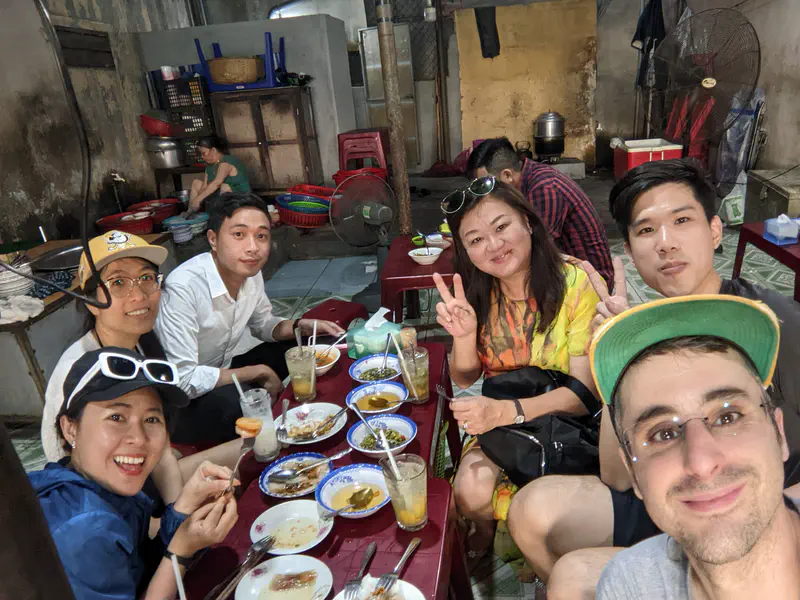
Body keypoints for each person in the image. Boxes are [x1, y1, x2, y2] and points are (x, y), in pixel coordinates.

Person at [506, 159, 800, 598]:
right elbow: (618, 475)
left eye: (682, 220)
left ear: (715, 231)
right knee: (529, 509)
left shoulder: (772, 323)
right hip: (672, 487)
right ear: (628, 247)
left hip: (760, 499)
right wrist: (616, 350)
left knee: (574, 575)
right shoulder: (640, 329)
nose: (665, 243)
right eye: (646, 230)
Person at [433, 178, 600, 563]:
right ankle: (486, 530)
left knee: (559, 512)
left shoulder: (576, 284)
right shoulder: (479, 290)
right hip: (505, 415)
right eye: (475, 239)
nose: (493, 245)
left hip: (563, 418)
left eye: (501, 227)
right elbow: (464, 377)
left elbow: (582, 395)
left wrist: (506, 413)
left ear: (528, 222)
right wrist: (464, 335)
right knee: (470, 490)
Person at [592, 296, 800, 599]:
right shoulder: (628, 585)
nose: (701, 463)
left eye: (728, 417)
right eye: (663, 434)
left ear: (779, 434)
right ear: (633, 474)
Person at [41, 231, 242, 504]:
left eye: (147, 279)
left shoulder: (144, 342)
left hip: (148, 466)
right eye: (119, 282)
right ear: (91, 302)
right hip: (108, 497)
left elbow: (164, 448)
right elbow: (69, 474)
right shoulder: (79, 371)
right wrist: (168, 521)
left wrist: (175, 513)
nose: (138, 296)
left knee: (256, 446)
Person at [30, 347, 238, 600]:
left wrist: (184, 504)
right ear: (70, 429)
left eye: (151, 420)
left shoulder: (93, 481)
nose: (139, 439)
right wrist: (181, 552)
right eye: (116, 417)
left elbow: (140, 564)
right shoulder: (83, 528)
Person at [155, 192, 344, 446]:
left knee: (305, 344)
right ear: (213, 239)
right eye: (239, 235)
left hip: (222, 370)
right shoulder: (183, 289)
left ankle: (323, 402)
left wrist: (300, 325)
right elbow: (185, 380)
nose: (253, 247)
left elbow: (264, 325)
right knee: (239, 405)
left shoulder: (250, 273)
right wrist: (257, 371)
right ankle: (265, 447)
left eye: (261, 236)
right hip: (181, 402)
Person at [466, 137, 613, 284]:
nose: (486, 193)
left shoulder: (544, 188)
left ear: (507, 175)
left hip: (593, 279)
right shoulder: (528, 178)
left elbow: (537, 247)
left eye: (487, 184)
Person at [187, 137, 251, 214]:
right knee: (196, 183)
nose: (202, 156)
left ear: (213, 150)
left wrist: (198, 199)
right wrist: (195, 202)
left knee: (224, 186)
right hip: (220, 197)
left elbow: (217, 183)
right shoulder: (209, 165)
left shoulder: (226, 161)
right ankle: (190, 212)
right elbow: (204, 186)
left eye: (204, 153)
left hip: (240, 198)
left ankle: (222, 215)